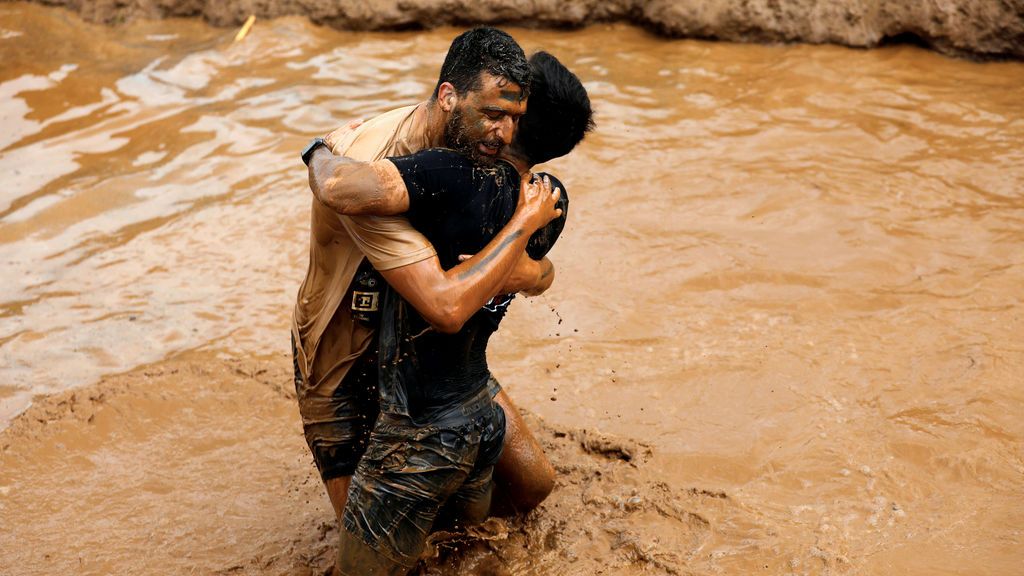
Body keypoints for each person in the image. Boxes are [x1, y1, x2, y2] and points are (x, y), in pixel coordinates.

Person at [306, 50, 595, 575]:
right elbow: (539, 272)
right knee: (465, 549)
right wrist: (527, 268)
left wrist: (321, 149)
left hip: (420, 432)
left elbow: (343, 188)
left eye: (508, 108)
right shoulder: (551, 200)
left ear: (518, 119)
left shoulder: (452, 175)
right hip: (479, 413)